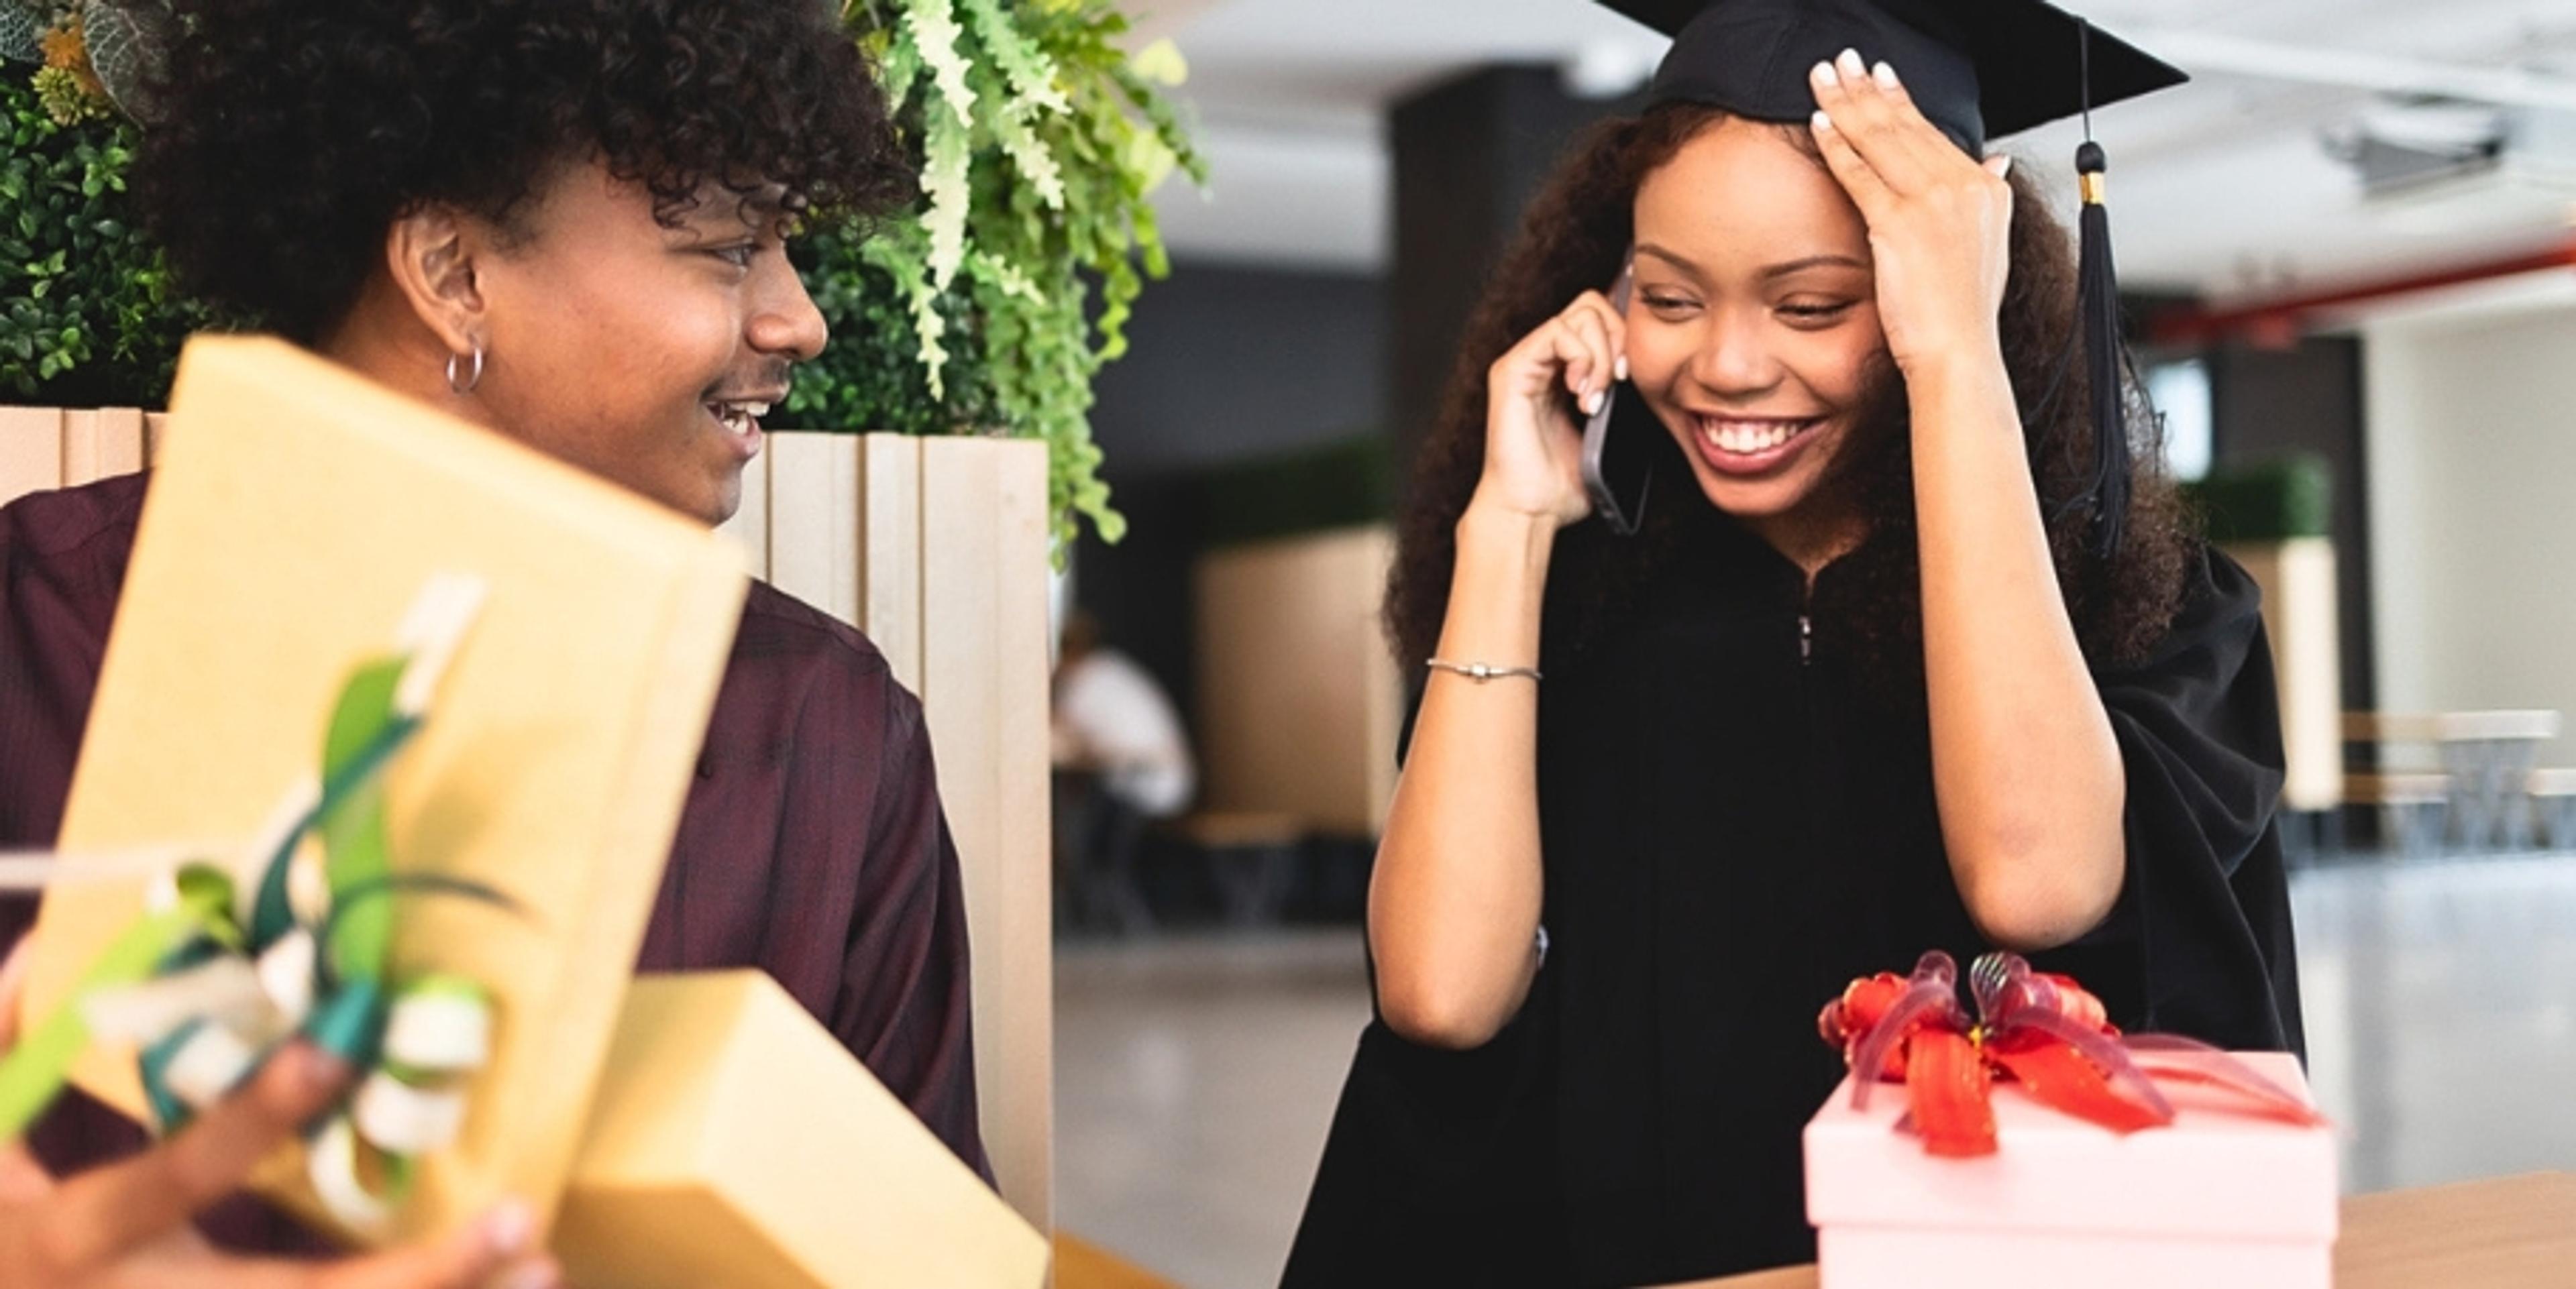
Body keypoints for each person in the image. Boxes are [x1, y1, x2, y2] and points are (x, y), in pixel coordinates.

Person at [1285, 1, 2304, 1284]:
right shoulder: (1588, 607)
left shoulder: (2151, 611)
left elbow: (2036, 884)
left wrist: (1953, 359)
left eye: (1813, 306)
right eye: (1667, 295)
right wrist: (1508, 528)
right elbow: (1438, 996)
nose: (1726, 364)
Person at [0, 0, 984, 1263]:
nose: (801, 320)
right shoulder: (29, 634)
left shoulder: (828, 733)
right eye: (735, 247)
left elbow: (920, 1247)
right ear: (455, 274)